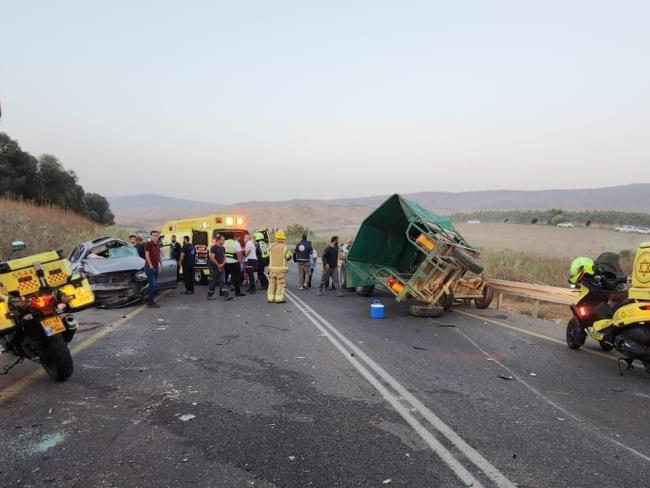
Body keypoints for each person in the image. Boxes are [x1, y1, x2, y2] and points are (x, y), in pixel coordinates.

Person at [267, 230, 293, 303]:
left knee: (271, 283)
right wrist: (290, 255)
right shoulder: (285, 247)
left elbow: (268, 256)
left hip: (272, 269)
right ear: (283, 238)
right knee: (280, 284)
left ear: (276, 237)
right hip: (281, 269)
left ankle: (270, 298)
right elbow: (288, 257)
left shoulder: (271, 246)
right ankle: (279, 298)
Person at [207, 234, 232, 301]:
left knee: (222, 281)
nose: (224, 241)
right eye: (222, 239)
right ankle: (209, 295)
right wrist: (218, 265)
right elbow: (212, 257)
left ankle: (226, 296)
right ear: (218, 240)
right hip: (214, 267)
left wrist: (223, 264)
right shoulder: (213, 247)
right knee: (213, 282)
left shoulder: (223, 248)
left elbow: (224, 257)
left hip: (221, 267)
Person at [144, 230, 162, 308]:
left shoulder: (157, 245)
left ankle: (149, 299)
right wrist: (150, 265)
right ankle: (150, 302)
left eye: (156, 235)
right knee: (153, 284)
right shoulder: (148, 244)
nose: (155, 236)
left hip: (156, 267)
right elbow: (147, 255)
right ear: (151, 236)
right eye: (153, 235)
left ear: (158, 237)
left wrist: (160, 264)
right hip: (150, 267)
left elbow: (158, 256)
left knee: (153, 285)